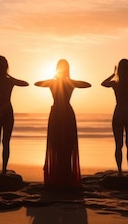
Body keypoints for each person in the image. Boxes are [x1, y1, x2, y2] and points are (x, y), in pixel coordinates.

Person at [35, 59, 91, 188]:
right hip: (66, 113)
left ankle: (60, 177)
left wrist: (53, 79)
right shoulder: (70, 83)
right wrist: (71, 80)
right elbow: (86, 84)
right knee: (63, 145)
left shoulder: (53, 83)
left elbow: (38, 83)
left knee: (59, 144)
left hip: (57, 114)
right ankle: (65, 176)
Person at [0, 55, 29, 174]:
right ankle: (2, 170)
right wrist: (10, 76)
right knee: (5, 142)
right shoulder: (9, 81)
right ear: (6, 66)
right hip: (8, 110)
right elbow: (25, 83)